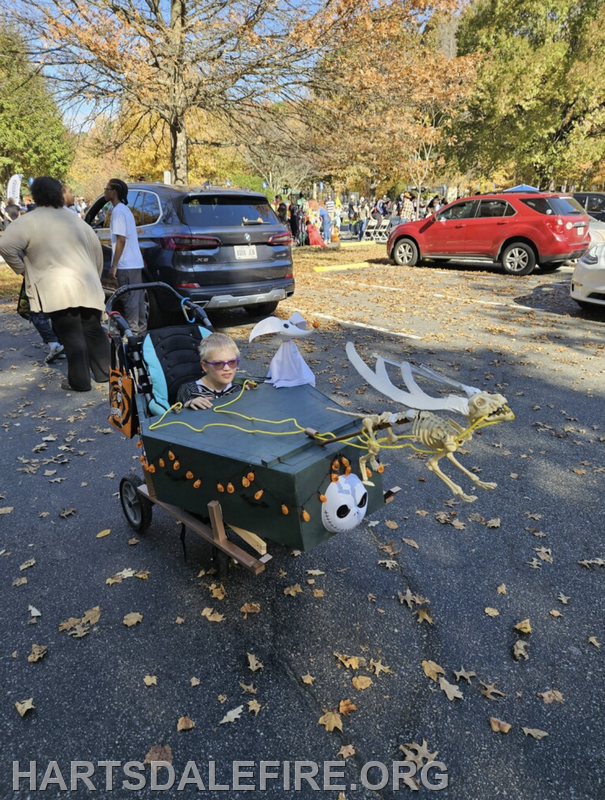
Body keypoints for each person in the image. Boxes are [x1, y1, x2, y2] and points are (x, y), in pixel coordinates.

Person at [0, 176, 109, 392]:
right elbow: (97, 253)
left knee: (70, 333)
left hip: (57, 288)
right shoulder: (75, 220)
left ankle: (79, 382)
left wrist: (23, 270)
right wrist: (95, 280)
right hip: (87, 284)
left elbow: (5, 246)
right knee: (93, 329)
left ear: (37, 195)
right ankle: (105, 373)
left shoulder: (29, 221)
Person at [105, 178, 147, 336]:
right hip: (135, 263)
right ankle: (141, 333)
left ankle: (132, 336)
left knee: (130, 302)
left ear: (114, 192)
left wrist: (114, 265)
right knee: (138, 301)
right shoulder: (126, 210)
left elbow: (121, 239)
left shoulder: (117, 211)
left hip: (126, 264)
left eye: (107, 189)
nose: (105, 191)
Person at [176, 333, 253, 409]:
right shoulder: (189, 390)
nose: (227, 368)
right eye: (218, 364)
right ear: (204, 366)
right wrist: (188, 404)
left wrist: (247, 395)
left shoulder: (237, 389)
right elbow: (175, 415)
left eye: (232, 362)